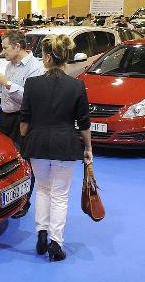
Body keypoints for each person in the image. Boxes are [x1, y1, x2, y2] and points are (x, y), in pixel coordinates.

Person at [19, 34, 92, 262]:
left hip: (37, 144)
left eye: (42, 55)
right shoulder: (77, 85)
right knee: (60, 196)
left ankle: (41, 234)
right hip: (66, 145)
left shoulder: (31, 84)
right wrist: (88, 149)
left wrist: (28, 130)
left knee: (42, 189)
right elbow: (84, 122)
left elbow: (23, 125)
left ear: (49, 57)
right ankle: (56, 243)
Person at [0, 30, 45, 218]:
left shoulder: (35, 68)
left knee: (24, 162)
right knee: (3, 160)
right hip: (6, 118)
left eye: (5, 48)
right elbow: (7, 91)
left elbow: (31, 98)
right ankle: (7, 198)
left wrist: (7, 83)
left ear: (18, 47)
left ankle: (24, 201)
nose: (2, 52)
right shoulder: (10, 65)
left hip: (24, 119)